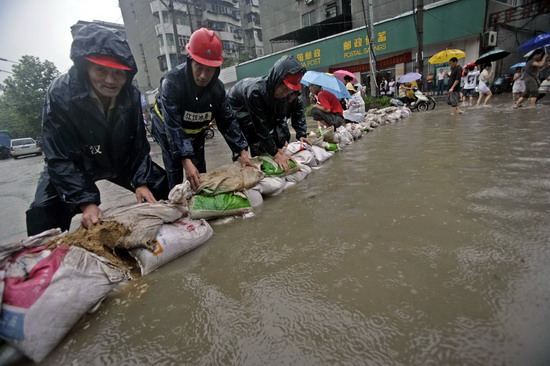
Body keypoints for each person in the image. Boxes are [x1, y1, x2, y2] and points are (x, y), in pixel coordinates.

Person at [26, 25, 169, 236]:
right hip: (76, 161)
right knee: (43, 210)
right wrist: (86, 202)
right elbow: (58, 155)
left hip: (118, 159)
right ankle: (50, 259)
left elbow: (138, 144)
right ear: (86, 67)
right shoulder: (60, 93)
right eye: (101, 70)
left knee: (161, 186)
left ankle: (165, 239)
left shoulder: (130, 94)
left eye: (118, 73)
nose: (110, 80)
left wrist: (141, 182)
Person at [151, 28, 253, 191]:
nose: (204, 75)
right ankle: (177, 204)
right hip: (167, 127)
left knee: (199, 171)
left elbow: (227, 121)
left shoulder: (218, 89)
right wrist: (185, 160)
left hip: (195, 130)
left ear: (216, 68)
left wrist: (241, 150)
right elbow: (173, 126)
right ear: (190, 61)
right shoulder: (172, 83)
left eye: (209, 69)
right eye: (199, 67)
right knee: (176, 167)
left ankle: (200, 200)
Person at [227, 55, 309, 172]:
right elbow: (260, 127)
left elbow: (280, 121)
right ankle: (248, 164)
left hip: (253, 105)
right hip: (238, 105)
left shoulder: (282, 95)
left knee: (272, 130)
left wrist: (280, 148)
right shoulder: (256, 92)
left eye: (289, 91)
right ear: (277, 81)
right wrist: (275, 154)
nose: (286, 94)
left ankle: (266, 158)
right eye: (285, 89)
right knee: (252, 137)